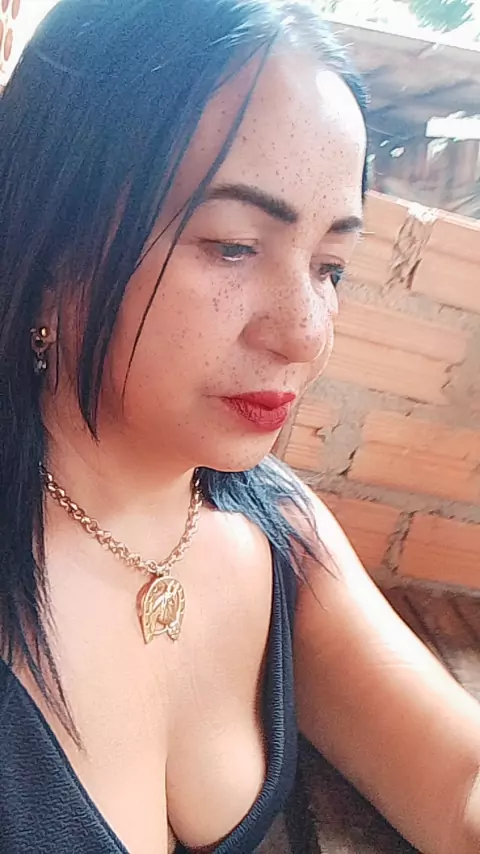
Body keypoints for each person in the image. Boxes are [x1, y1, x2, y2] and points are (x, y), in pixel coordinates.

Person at [0, 1, 479, 852]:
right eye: (232, 245)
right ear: (47, 248)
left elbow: (460, 784)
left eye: (331, 266)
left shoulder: (275, 523)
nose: (305, 334)